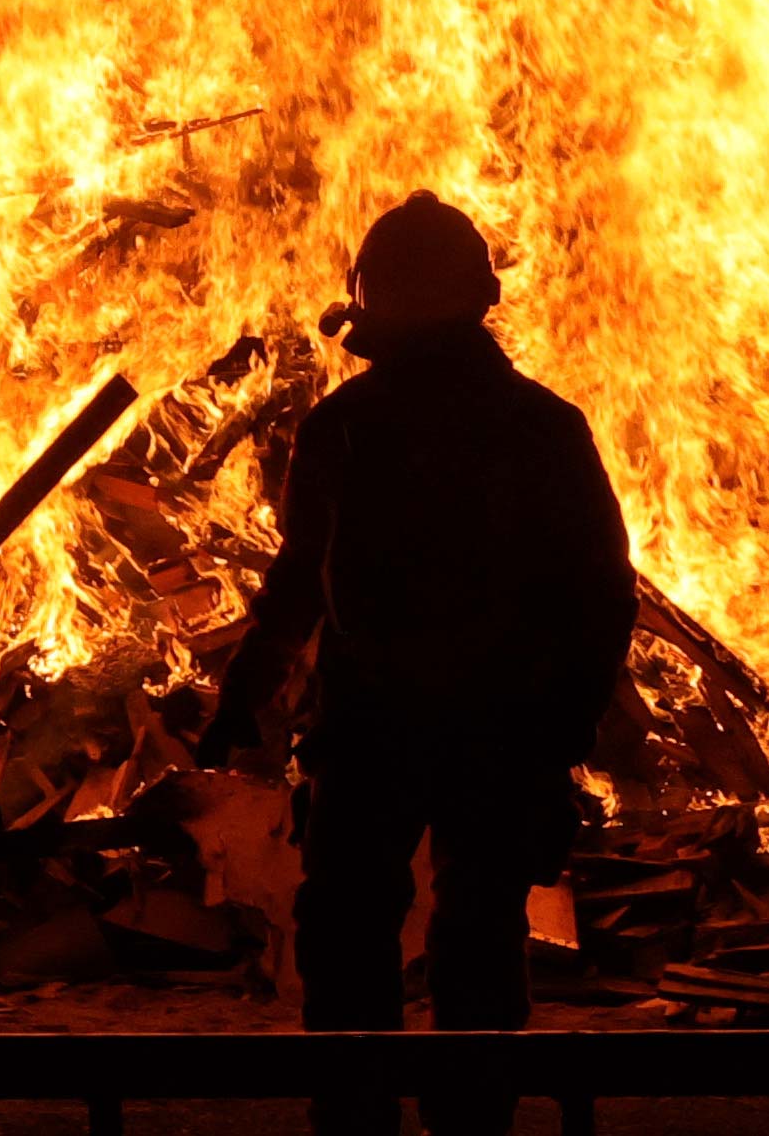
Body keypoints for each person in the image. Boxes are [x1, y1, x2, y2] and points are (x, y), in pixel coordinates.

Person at [205, 191, 631, 1120]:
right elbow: (601, 598)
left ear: (374, 307)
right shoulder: (546, 427)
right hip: (500, 731)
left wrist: (243, 699)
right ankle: (469, 1131)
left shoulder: (343, 429)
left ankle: (356, 1125)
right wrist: (565, 732)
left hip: (376, 729)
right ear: (480, 299)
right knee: (479, 945)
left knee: (350, 937)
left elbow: (295, 588)